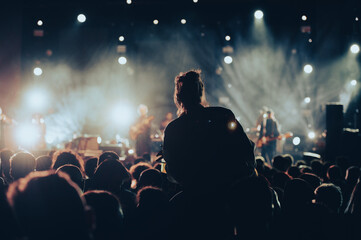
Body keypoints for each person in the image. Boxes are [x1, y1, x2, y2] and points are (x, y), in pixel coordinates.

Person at [163, 70, 255, 194]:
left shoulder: (174, 128)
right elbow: (246, 150)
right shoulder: (223, 115)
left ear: (178, 96)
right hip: (226, 194)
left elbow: (173, 172)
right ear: (201, 92)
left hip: (193, 198)